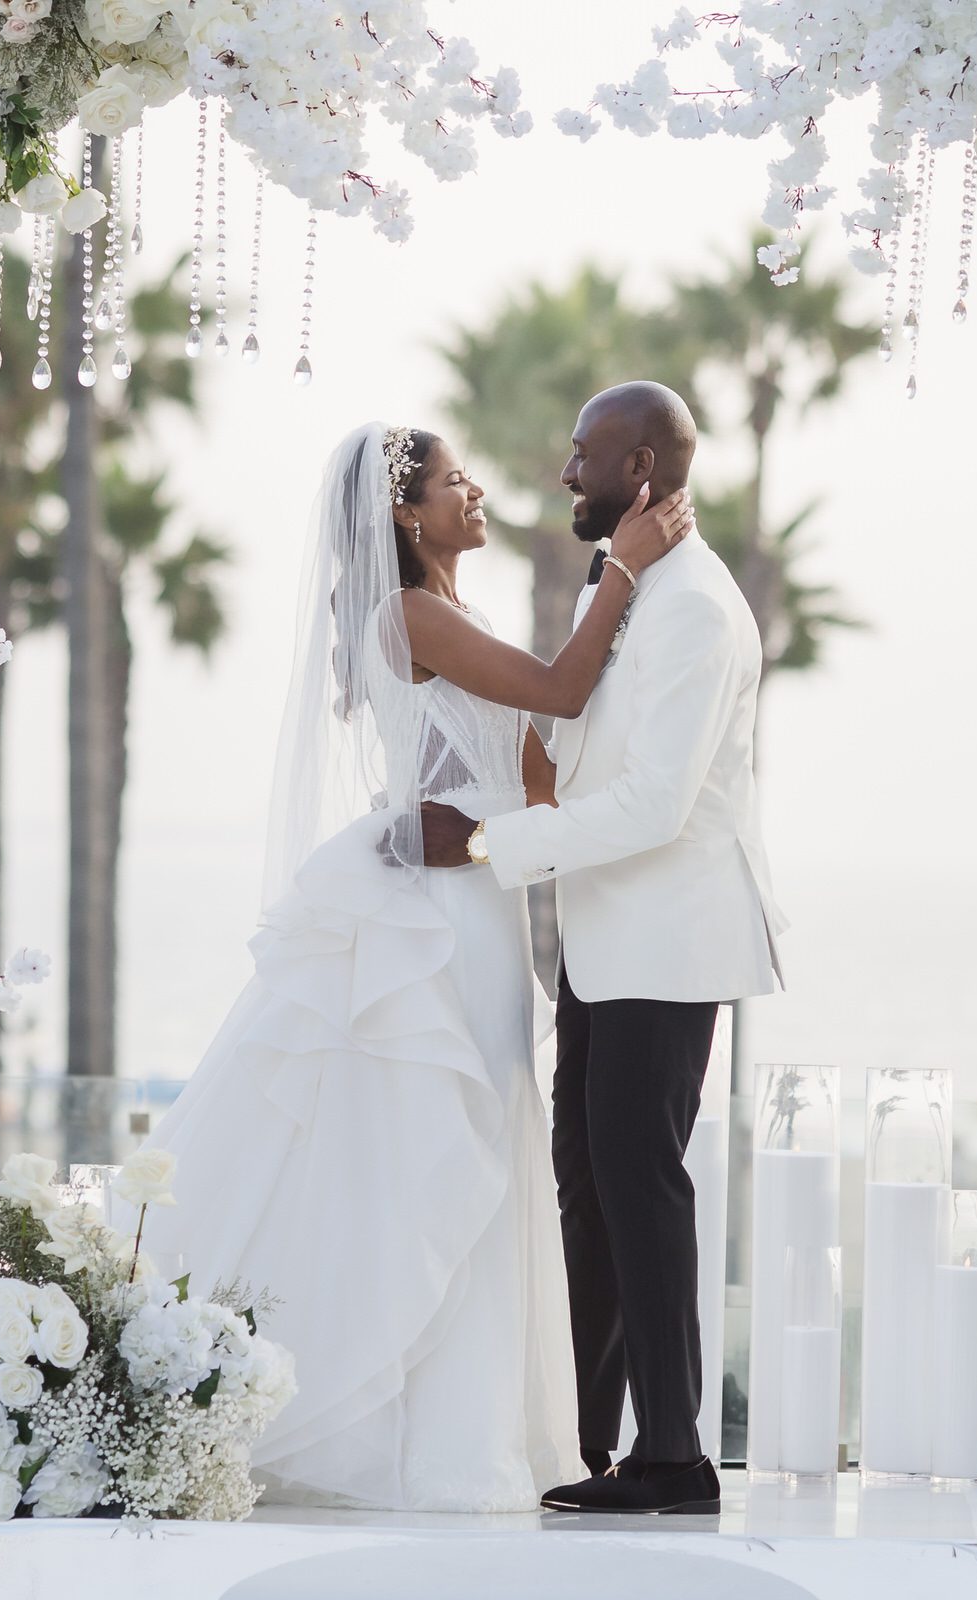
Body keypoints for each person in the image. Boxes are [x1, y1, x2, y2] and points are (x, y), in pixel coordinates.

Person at [130, 421, 692, 1512]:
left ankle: (467, 1425)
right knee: (440, 1138)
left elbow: (533, 776)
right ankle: (401, 1427)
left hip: (474, 898)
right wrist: (625, 567)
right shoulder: (408, 613)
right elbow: (561, 692)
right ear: (403, 512)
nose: (474, 490)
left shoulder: (452, 612)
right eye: (451, 481)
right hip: (431, 919)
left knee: (484, 1135)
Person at [419, 382, 788, 1516]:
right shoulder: (635, 585)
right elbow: (581, 740)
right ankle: (586, 1440)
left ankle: (675, 1456)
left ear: (639, 469)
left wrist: (490, 840)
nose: (564, 474)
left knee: (642, 1186)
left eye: (583, 456)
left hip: (667, 943)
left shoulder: (690, 609)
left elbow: (655, 807)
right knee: (594, 1188)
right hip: (603, 941)